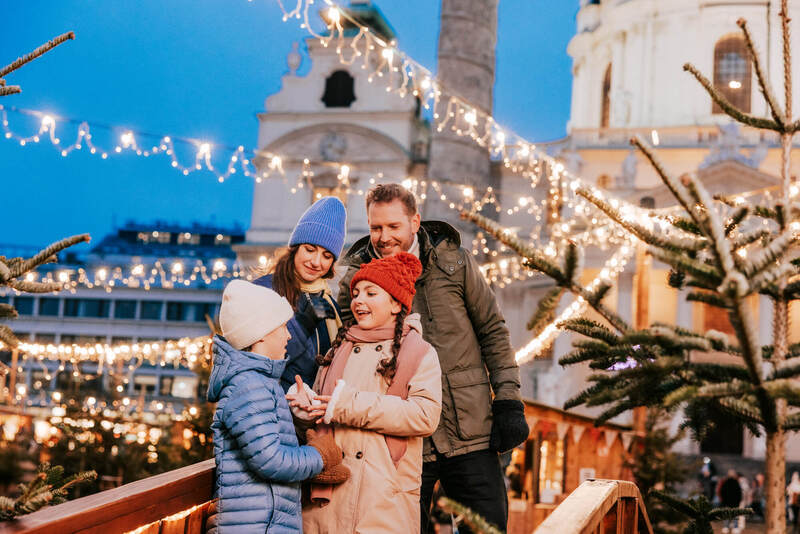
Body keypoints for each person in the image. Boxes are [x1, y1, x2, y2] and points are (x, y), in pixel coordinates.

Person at [336, 184, 529, 533]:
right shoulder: (355, 280)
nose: (384, 237)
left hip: (470, 429)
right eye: (376, 227)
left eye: (393, 226)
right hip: (400, 439)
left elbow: (493, 331)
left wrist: (508, 401)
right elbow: (349, 351)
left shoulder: (454, 263)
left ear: (414, 221)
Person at [293, 252, 442, 534]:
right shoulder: (339, 347)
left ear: (397, 304)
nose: (359, 300)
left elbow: (424, 416)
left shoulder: (419, 352)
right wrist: (304, 409)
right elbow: (322, 413)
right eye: (357, 293)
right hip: (327, 501)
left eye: (371, 293)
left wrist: (346, 405)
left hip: (381, 502)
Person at [206, 280, 349, 534]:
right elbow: (270, 459)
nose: (289, 334)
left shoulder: (260, 382)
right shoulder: (248, 386)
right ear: (260, 333)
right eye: (283, 326)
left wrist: (298, 415)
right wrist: (320, 455)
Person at [254, 196, 347, 392]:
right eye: (310, 249)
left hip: (313, 411)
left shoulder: (327, 301)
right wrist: (303, 324)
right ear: (295, 248)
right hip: (276, 406)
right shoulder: (265, 290)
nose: (316, 261)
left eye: (327, 256)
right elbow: (258, 359)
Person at [718, 469, 743, 534]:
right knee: (735, 516)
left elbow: (722, 492)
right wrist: (739, 501)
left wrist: (723, 501)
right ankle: (735, 528)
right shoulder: (736, 483)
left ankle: (726, 527)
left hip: (727, 502)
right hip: (735, 503)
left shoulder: (725, 482)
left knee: (726, 515)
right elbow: (739, 493)